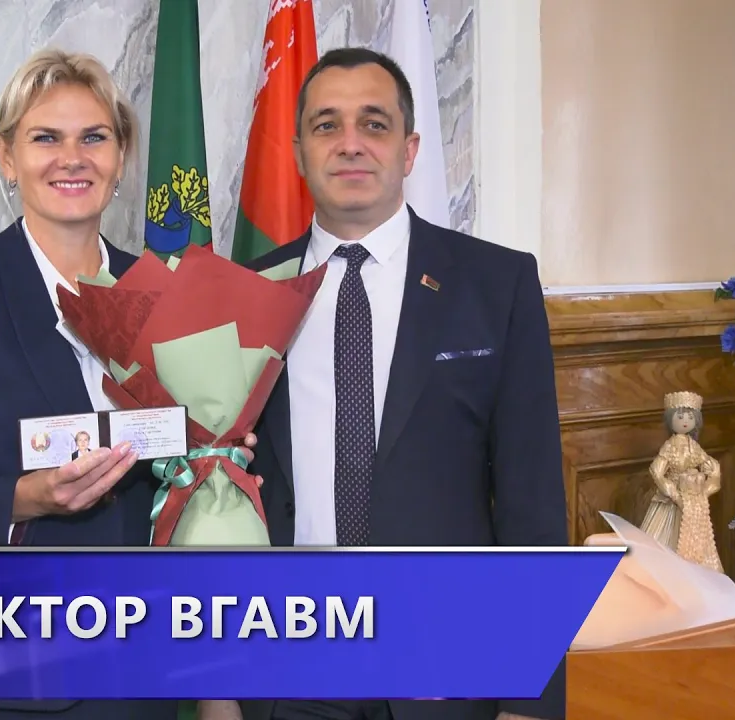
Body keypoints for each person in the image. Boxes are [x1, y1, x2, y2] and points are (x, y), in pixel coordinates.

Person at [0, 48, 258, 720]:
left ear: (121, 156)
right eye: (45, 138)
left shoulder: (165, 292)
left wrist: (218, 458)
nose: (72, 159)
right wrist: (25, 498)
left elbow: (181, 463)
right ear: (7, 156)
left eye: (94, 138)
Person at [238, 48, 569, 720]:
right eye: (326, 125)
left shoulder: (495, 284)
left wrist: (530, 698)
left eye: (374, 123)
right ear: (299, 152)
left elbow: (532, 502)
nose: (350, 143)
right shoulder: (245, 294)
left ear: (410, 148)